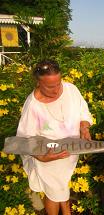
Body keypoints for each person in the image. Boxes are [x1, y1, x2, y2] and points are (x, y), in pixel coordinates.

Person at [17, 60, 93, 215]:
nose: (57, 89)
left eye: (59, 83)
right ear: (38, 82)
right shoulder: (33, 106)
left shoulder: (70, 89)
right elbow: (24, 140)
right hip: (48, 155)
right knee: (54, 194)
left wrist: (84, 126)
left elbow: (82, 111)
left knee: (62, 188)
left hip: (70, 153)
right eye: (51, 86)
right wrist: (42, 157)